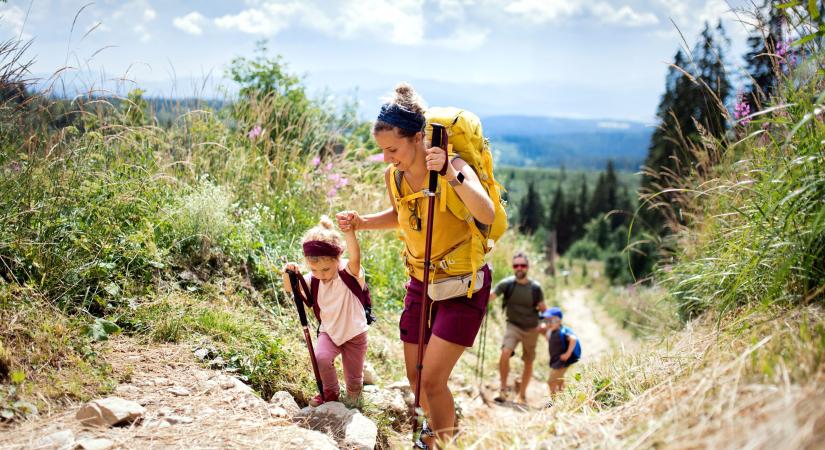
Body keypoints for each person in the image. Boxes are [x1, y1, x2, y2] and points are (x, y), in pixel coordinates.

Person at [336, 83, 495, 449]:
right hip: (420, 283)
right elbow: (400, 214)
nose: (388, 157)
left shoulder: (453, 166)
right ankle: (438, 430)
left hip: (462, 284)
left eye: (393, 149)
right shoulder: (394, 176)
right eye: (383, 151)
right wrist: (361, 222)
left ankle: (442, 441)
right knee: (415, 377)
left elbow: (484, 211)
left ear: (418, 137)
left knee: (432, 381)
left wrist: (452, 176)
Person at [282, 216, 369, 407]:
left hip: (354, 333)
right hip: (329, 331)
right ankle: (330, 392)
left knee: (353, 376)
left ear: (338, 259)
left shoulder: (348, 272)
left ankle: (354, 396)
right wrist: (287, 272)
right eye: (314, 269)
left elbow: (355, 256)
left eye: (326, 269)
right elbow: (290, 288)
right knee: (321, 357)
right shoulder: (314, 279)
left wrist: (349, 232)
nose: (321, 274)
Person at [490, 251, 546, 404]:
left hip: (531, 329)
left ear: (528, 267)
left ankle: (521, 394)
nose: (519, 268)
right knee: (505, 352)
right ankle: (503, 390)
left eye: (522, 265)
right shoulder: (507, 284)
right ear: (513, 267)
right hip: (513, 326)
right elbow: (491, 296)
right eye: (516, 265)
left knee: (528, 361)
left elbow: (543, 309)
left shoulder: (535, 288)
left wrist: (546, 325)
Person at [539, 306, 581, 399]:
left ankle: (554, 402)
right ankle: (565, 397)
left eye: (551, 321)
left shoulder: (562, 331)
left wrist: (567, 354)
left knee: (550, 381)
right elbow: (549, 339)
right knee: (559, 380)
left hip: (562, 361)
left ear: (559, 321)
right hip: (555, 360)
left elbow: (573, 339)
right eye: (547, 321)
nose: (549, 323)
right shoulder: (551, 331)